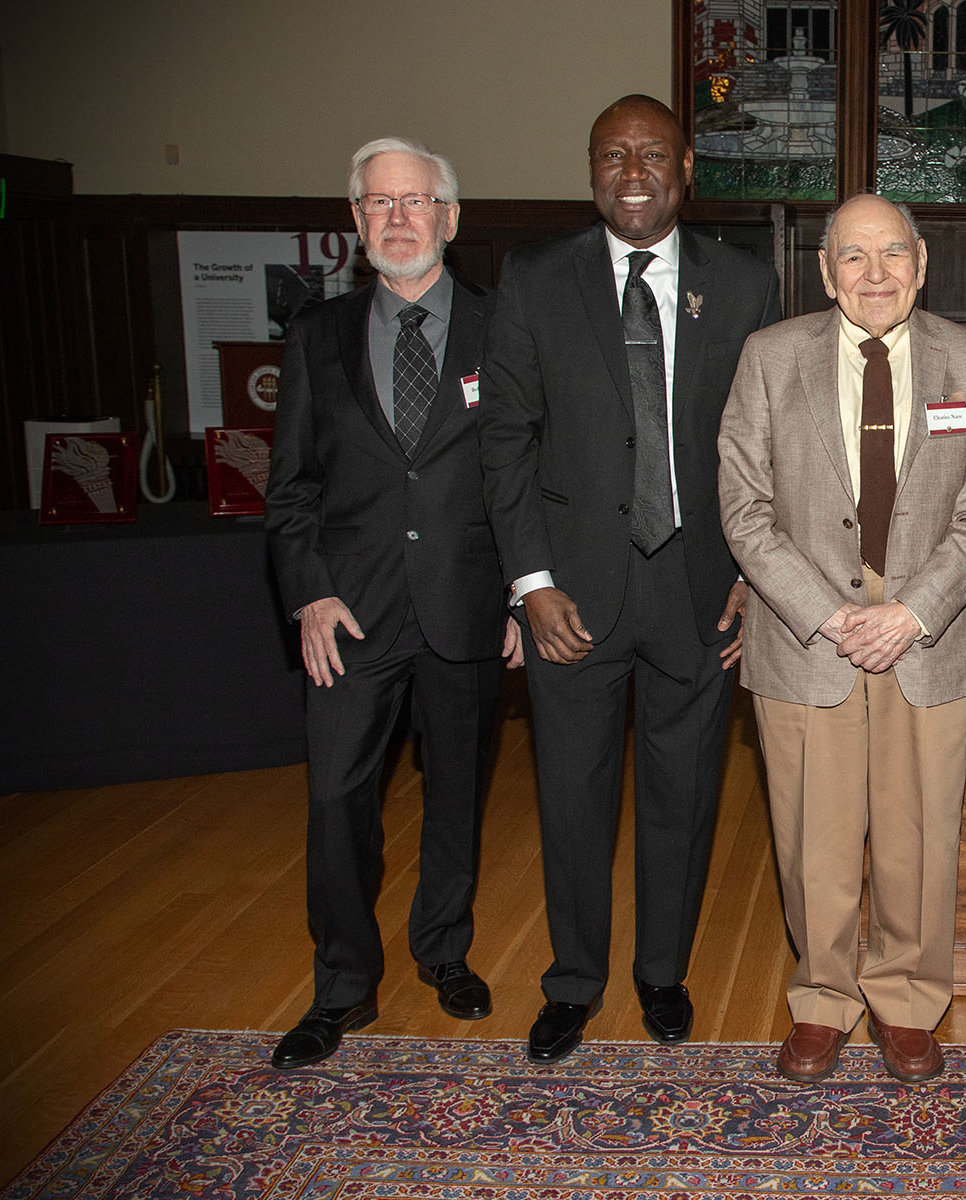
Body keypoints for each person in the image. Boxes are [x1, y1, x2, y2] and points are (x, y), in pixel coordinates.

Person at [478, 95, 781, 1062]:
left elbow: (765, 443)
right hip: (572, 594)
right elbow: (506, 443)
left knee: (684, 794)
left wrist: (749, 571)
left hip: (699, 585)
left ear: (686, 166)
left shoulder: (744, 284)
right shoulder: (534, 280)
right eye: (614, 155)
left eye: (652, 153)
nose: (634, 171)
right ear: (592, 170)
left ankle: (663, 975)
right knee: (569, 792)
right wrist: (529, 582)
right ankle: (572, 981)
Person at [717, 193, 966, 1085]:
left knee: (923, 832)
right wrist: (831, 612)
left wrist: (912, 610)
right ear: (824, 269)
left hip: (928, 628)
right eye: (853, 256)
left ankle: (909, 1001)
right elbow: (744, 505)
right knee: (816, 832)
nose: (874, 274)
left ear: (922, 264)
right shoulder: (770, 359)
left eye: (893, 255)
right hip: (809, 632)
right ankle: (825, 999)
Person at [265, 137, 523, 1069]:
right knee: (337, 800)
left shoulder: (507, 329)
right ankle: (342, 987)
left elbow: (526, 480)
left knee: (456, 794)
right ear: (357, 224)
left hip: (468, 608)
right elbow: (288, 488)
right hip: (351, 616)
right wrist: (309, 597)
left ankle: (444, 953)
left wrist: (522, 595)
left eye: (417, 201)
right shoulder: (315, 337)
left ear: (451, 220)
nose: (399, 217)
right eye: (380, 204)